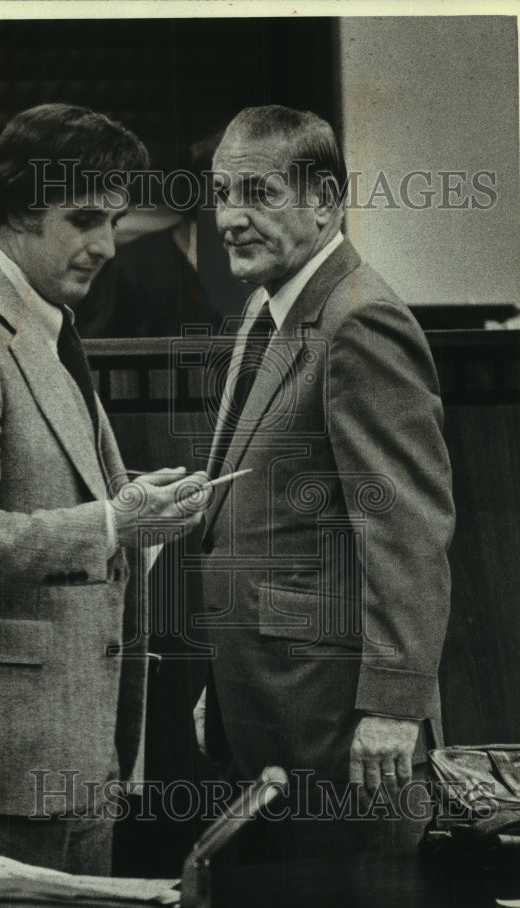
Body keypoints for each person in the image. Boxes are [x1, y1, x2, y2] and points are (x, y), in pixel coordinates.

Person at [0, 103, 210, 876]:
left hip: (61, 744)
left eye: (114, 221)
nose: (105, 245)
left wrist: (131, 510)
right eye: (84, 218)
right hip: (4, 759)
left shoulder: (38, 318)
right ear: (16, 208)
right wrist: (109, 523)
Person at [194, 105, 455, 857]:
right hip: (271, 709)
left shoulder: (361, 322)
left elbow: (408, 532)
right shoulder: (264, 309)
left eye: (258, 193)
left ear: (326, 202)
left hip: (344, 731)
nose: (231, 219)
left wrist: (393, 709)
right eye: (221, 193)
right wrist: (225, 677)